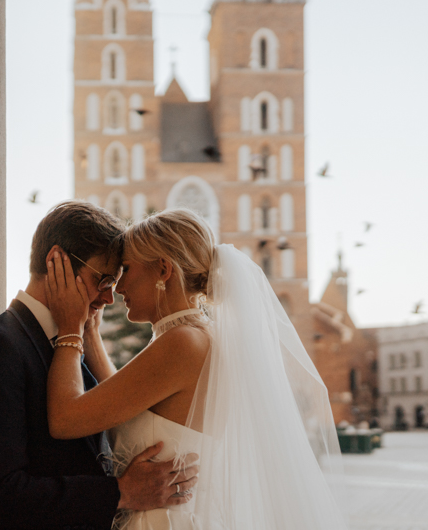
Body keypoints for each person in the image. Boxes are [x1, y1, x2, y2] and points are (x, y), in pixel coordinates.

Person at [45, 209, 349, 529]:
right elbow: (122, 403)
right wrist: (90, 331)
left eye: (126, 269)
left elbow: (66, 420)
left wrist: (69, 330)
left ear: (163, 269)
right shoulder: (197, 335)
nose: (118, 288)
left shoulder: (183, 344)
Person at [0, 201, 199, 530]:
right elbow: (0, 499)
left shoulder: (70, 346)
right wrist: (120, 493)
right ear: (58, 261)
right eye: (103, 279)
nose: (110, 297)